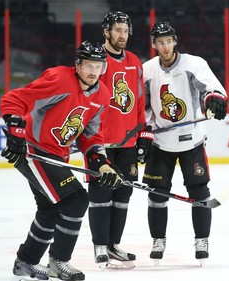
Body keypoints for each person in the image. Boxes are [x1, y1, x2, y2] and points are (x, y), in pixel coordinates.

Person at [0, 40, 123, 281]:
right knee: (76, 200)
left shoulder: (103, 95)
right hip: (33, 150)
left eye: (98, 67)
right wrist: (15, 128)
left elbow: (91, 136)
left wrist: (102, 162)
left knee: (50, 210)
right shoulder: (59, 79)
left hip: (57, 155)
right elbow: (14, 99)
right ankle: (59, 262)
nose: (93, 72)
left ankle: (25, 262)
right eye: (88, 65)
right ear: (77, 65)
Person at [142, 21, 228, 265]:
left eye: (169, 41)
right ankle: (158, 240)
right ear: (154, 44)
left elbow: (212, 88)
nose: (165, 46)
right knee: (156, 196)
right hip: (161, 143)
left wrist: (214, 99)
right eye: (160, 42)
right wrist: (145, 131)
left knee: (200, 192)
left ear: (175, 41)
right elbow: (143, 107)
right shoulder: (147, 70)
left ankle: (202, 240)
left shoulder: (194, 64)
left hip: (192, 140)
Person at [87, 11, 153, 269]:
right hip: (100, 142)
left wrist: (143, 132)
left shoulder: (135, 61)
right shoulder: (95, 61)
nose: (122, 35)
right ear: (106, 31)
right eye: (117, 30)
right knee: (100, 194)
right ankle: (100, 245)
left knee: (123, 195)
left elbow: (138, 102)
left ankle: (113, 244)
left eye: (125, 31)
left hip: (128, 142)